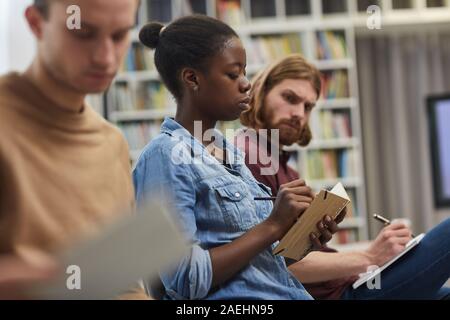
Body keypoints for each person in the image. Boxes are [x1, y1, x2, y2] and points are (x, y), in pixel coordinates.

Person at [132, 15, 344, 300]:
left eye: (244, 73)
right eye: (233, 75)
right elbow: (184, 279)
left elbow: (259, 266)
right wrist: (272, 226)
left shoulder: (230, 155)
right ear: (192, 78)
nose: (246, 85)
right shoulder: (165, 155)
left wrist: (303, 237)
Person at [235, 54, 450, 300]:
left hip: (348, 285)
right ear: (261, 93)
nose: (299, 114)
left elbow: (296, 252)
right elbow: (276, 266)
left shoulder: (283, 166)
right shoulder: (250, 156)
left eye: (308, 106)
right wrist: (369, 257)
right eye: (289, 98)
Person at [0, 0, 148, 299]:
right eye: (83, 33)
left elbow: (122, 284)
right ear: (36, 23)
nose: (106, 58)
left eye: (119, 36)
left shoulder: (112, 144)